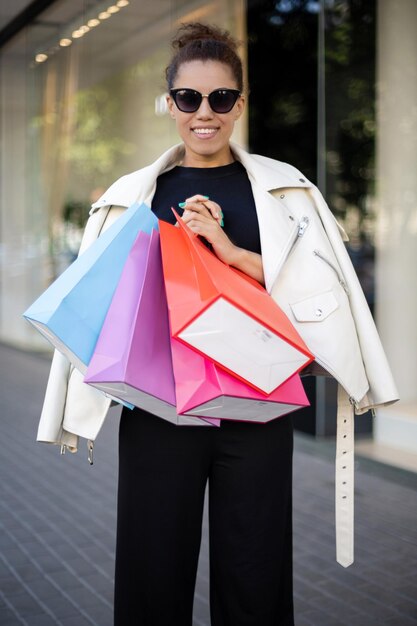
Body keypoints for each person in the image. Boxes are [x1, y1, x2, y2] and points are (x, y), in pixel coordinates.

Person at [37, 22, 398, 626]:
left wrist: (230, 252)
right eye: (189, 99)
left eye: (221, 98)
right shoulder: (136, 194)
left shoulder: (284, 191)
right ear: (171, 103)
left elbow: (317, 292)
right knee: (152, 578)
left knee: (256, 581)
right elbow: (111, 306)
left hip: (256, 410)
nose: (205, 113)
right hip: (158, 412)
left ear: (240, 103)